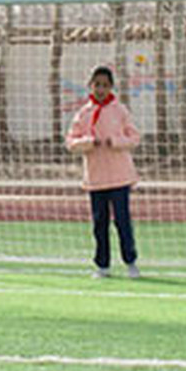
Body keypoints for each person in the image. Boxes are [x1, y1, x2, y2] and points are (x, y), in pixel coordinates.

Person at [66, 64, 141, 279]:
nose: (101, 89)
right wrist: (89, 142)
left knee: (123, 222)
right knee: (99, 224)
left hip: (120, 176)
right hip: (96, 178)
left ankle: (130, 261)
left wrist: (114, 142)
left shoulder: (120, 111)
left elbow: (134, 137)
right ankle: (102, 265)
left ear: (111, 87)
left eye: (105, 85)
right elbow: (71, 142)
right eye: (97, 85)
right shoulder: (83, 113)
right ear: (90, 86)